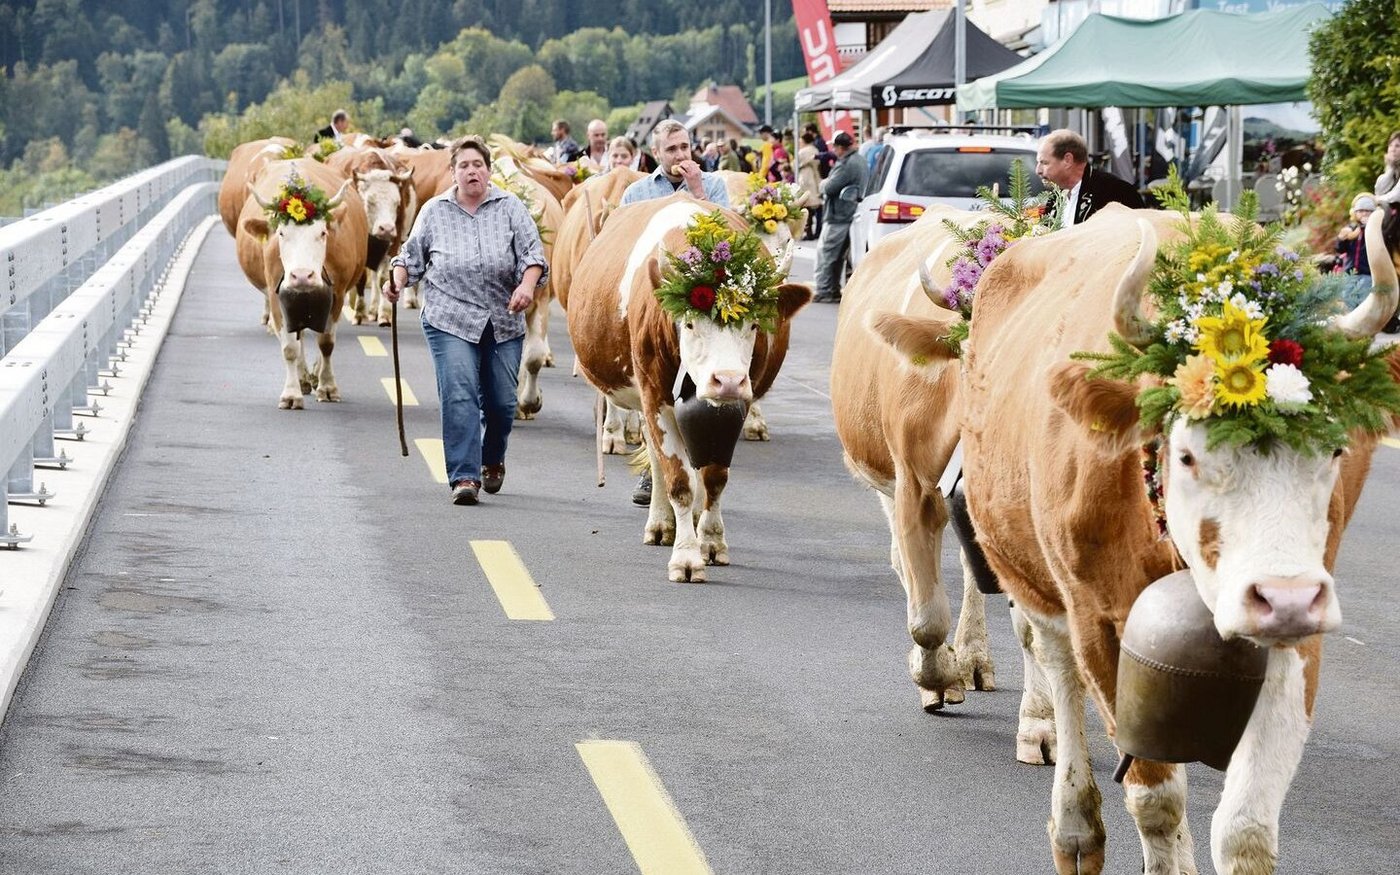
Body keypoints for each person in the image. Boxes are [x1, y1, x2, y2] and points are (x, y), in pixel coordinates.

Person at [384, 136, 548, 506]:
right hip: (449, 317)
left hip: (503, 318)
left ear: (488, 170)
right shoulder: (434, 211)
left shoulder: (510, 207)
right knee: (459, 393)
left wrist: (526, 286)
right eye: (464, 165)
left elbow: (533, 255)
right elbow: (409, 258)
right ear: (453, 172)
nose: (472, 171)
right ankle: (464, 476)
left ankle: (492, 458)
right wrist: (396, 282)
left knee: (502, 404)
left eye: (478, 165)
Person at [619, 119, 731, 505]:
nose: (681, 155)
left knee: (698, 391)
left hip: (701, 303)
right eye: (672, 149)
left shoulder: (713, 185)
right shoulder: (637, 194)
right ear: (656, 154)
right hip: (653, 302)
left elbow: (728, 237)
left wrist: (698, 191)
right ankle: (654, 471)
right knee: (656, 390)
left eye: (684, 147)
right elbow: (625, 251)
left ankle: (702, 469)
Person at [1035, 128, 1144, 227]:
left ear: (1068, 160)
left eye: (1044, 163)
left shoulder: (1116, 192)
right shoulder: (1055, 197)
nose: (1038, 170)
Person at [812, 131, 867, 304]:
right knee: (838, 256)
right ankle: (834, 289)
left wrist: (822, 183)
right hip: (850, 212)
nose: (833, 150)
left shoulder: (845, 164)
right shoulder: (860, 160)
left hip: (838, 215)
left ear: (841, 148)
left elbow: (829, 187)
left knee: (826, 253)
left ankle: (824, 290)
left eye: (834, 147)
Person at [796, 130, 823, 240]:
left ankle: (808, 232)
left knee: (806, 206)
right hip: (815, 177)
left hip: (805, 178)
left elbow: (795, 165)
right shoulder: (815, 150)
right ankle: (818, 230)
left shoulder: (802, 152)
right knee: (817, 205)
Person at [1374, 131, 1400, 197]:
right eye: (1390, 145)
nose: (1393, 149)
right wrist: (1391, 167)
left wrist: (1377, 200)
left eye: (1397, 146)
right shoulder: (1391, 169)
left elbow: (1397, 195)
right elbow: (1379, 191)